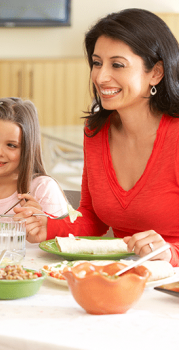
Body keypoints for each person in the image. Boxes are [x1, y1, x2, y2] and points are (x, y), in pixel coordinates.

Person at [24, 8, 179, 267]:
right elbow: (93, 219)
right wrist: (48, 227)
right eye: (97, 63)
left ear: (156, 73)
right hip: (120, 275)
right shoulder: (95, 132)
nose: (100, 76)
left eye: (117, 65)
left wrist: (170, 253)